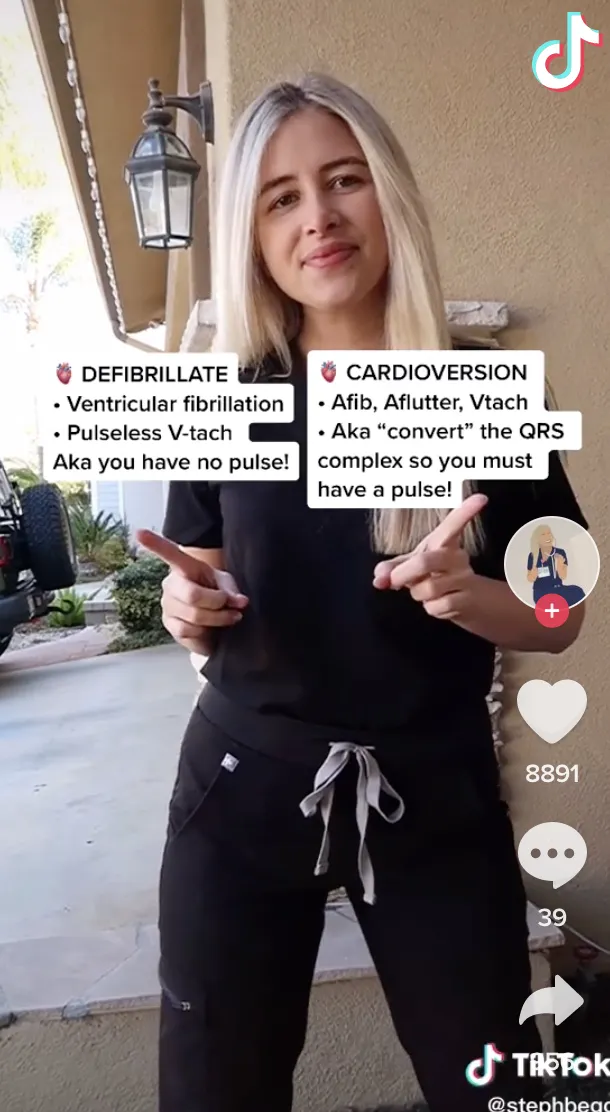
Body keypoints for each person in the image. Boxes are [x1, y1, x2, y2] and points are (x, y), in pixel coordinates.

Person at [138, 73, 589, 1112]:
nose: (318, 217)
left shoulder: (483, 390)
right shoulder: (229, 392)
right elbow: (196, 588)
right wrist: (185, 611)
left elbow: (560, 621)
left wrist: (468, 594)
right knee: (214, 1087)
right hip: (242, 790)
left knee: (493, 1086)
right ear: (252, 233)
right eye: (281, 197)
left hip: (435, 794)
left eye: (344, 180)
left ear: (389, 194)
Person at [527, 522, 586, 606]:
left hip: (558, 588)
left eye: (549, 533)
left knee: (577, 591)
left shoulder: (560, 552)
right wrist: (533, 574)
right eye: (543, 534)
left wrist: (559, 565)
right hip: (541, 592)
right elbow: (530, 578)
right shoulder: (533, 555)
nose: (547, 536)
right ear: (537, 539)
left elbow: (563, 576)